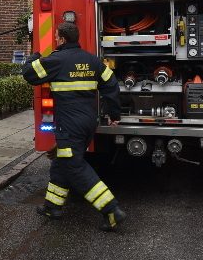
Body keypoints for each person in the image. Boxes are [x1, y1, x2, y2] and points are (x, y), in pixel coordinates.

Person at [22, 21, 126, 231]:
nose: (55, 40)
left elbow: (29, 74)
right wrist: (113, 113)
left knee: (74, 166)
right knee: (62, 162)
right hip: (88, 123)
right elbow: (111, 83)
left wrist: (33, 57)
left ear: (61, 39)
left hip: (70, 125)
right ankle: (53, 207)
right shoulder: (92, 60)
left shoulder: (57, 60)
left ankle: (111, 210)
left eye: (56, 37)